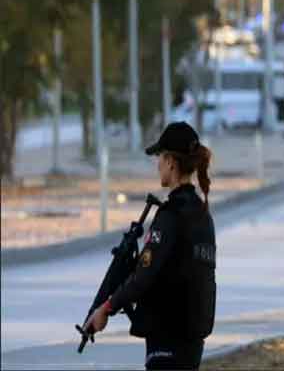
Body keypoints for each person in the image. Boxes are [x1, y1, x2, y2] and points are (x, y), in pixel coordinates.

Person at [83, 121, 217, 370]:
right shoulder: (203, 214)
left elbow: (143, 277)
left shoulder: (171, 216)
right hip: (192, 338)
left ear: (171, 162)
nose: (157, 166)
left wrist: (106, 308)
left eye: (160, 158)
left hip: (167, 336)